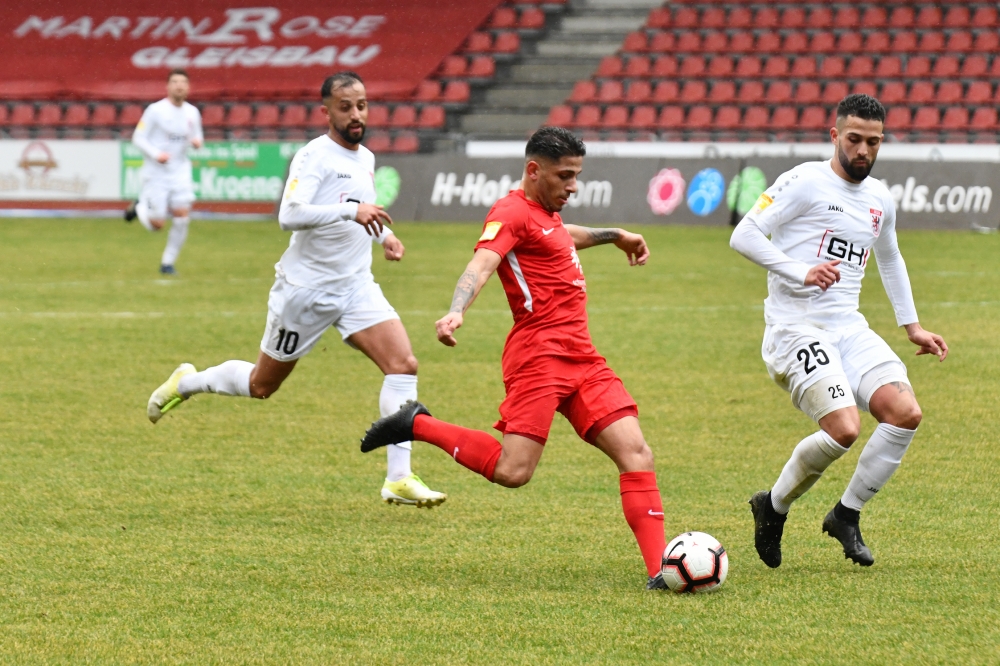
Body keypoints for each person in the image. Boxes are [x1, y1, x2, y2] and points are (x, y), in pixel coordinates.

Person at [360, 127, 670, 590]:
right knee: (513, 471)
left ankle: (660, 572)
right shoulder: (509, 212)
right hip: (538, 355)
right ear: (533, 170)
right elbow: (482, 263)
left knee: (636, 452)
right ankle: (416, 423)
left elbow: (562, 235)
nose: (573, 186)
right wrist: (455, 310)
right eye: (564, 176)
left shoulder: (546, 215)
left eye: (577, 176)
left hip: (583, 356)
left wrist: (615, 235)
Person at [146, 71, 446, 508]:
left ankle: (398, 478)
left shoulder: (366, 158)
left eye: (361, 105)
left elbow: (361, 210)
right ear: (326, 112)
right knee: (261, 384)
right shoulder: (313, 157)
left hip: (356, 285)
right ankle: (187, 382)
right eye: (345, 107)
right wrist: (350, 211)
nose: (356, 114)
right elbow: (290, 214)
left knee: (403, 364)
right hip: (305, 290)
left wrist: (385, 237)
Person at [729, 94, 948, 568]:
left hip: (848, 327)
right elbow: (743, 234)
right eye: (854, 139)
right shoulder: (804, 181)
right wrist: (799, 271)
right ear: (835, 136)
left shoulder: (879, 199)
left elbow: (889, 257)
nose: (863, 150)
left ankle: (845, 515)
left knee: (905, 412)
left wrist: (912, 326)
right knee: (845, 429)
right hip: (795, 329)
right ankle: (774, 505)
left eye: (873, 142)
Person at [124, 69, 203, 275]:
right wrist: (156, 153)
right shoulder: (155, 110)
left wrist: (197, 143)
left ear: (188, 87)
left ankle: (167, 263)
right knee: (157, 224)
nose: (179, 85)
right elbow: (138, 137)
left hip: (180, 171)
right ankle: (140, 206)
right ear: (167, 86)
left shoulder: (192, 112)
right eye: (175, 82)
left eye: (183, 82)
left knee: (182, 217)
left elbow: (197, 137)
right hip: (157, 172)